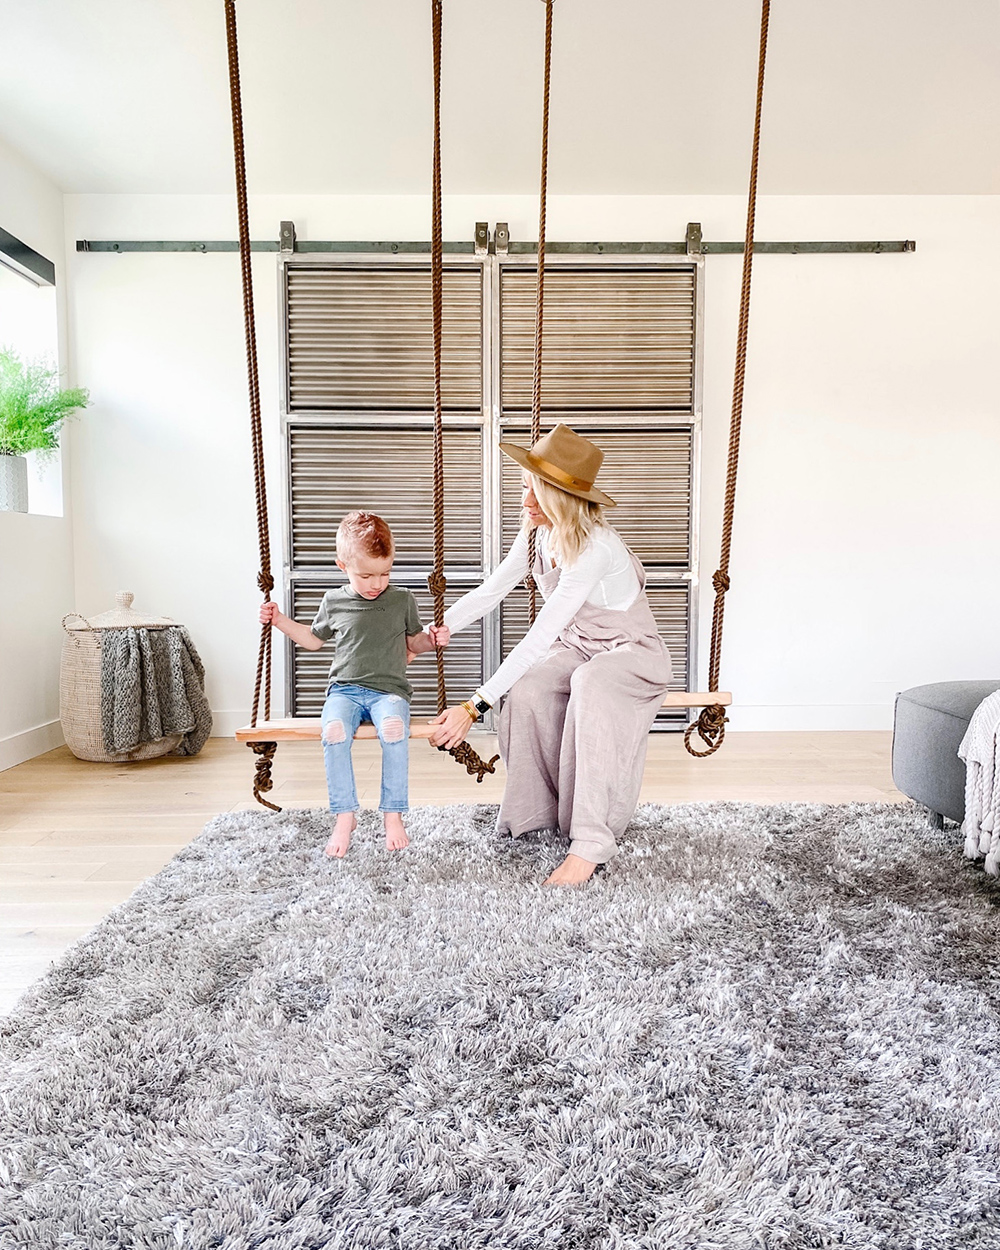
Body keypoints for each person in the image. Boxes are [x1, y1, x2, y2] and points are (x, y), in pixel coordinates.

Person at [429, 424, 672, 887]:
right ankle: (534, 813)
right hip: (580, 646)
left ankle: (589, 842)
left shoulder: (594, 549)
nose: (526, 504)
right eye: (525, 489)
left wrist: (471, 707)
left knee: (590, 684)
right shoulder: (539, 531)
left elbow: (540, 635)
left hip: (630, 654)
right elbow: (492, 590)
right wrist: (437, 630)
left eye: (536, 495)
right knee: (528, 687)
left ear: (564, 498)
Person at [259, 511, 442, 858]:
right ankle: (345, 816)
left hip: (389, 691)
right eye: (366, 575)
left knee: (392, 729)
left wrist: (432, 639)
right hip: (344, 690)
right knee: (334, 733)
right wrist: (279, 620)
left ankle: (393, 813)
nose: (376, 583)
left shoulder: (401, 600)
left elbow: (414, 643)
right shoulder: (334, 601)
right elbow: (313, 640)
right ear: (342, 565)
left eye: (385, 573)